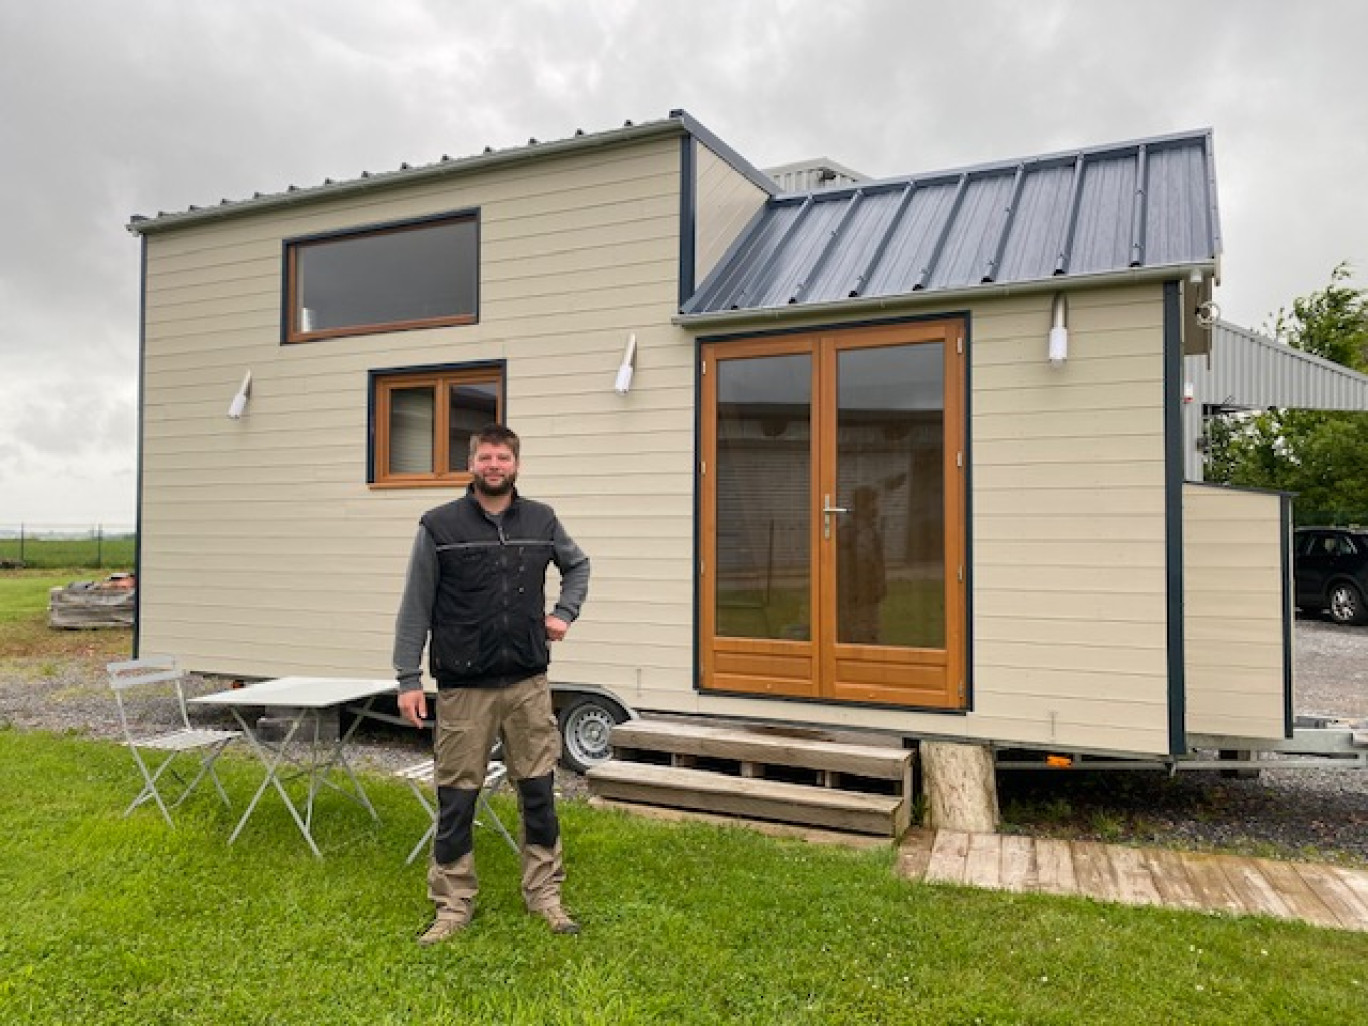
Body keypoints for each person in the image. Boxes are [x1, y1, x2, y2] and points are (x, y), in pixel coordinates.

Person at [393, 423, 590, 945]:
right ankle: (453, 905)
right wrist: (408, 677)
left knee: (539, 792)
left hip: (528, 682)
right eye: (486, 457)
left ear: (516, 465)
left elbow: (578, 565)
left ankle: (545, 894)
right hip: (464, 688)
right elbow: (416, 605)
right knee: (457, 798)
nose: (494, 465)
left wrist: (564, 613)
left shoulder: (542, 520)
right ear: (472, 464)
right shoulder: (439, 526)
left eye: (503, 457)